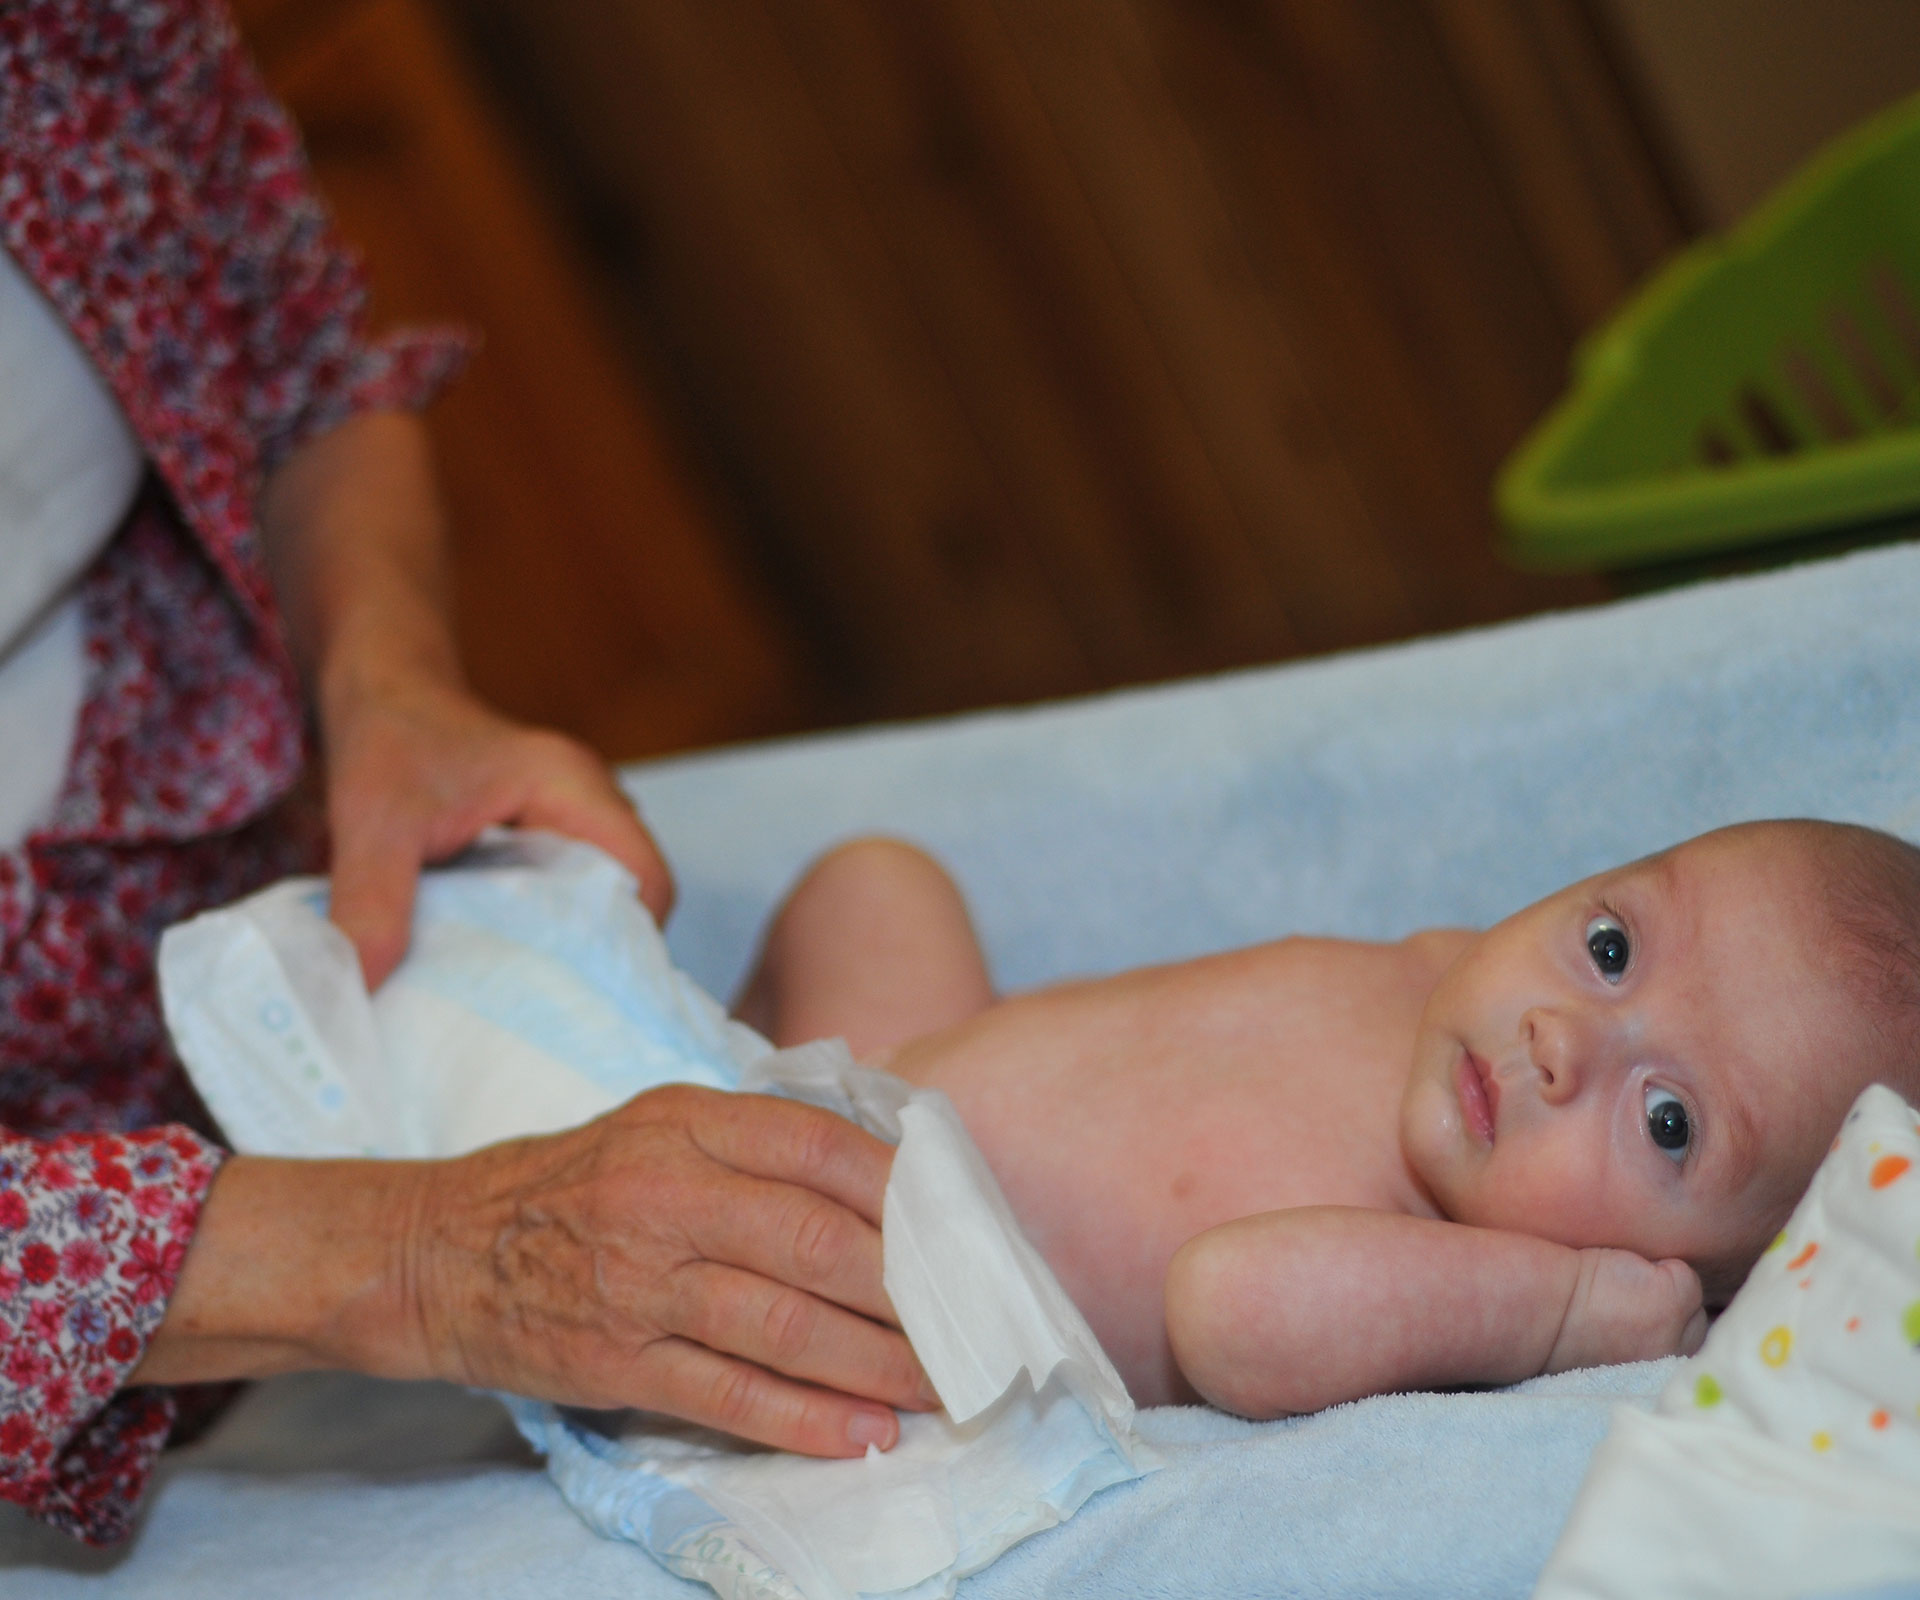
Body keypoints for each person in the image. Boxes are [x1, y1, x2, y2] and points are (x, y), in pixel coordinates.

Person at [0, 0, 924, 1545]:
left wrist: (391, 683)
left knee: (876, 891)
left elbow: (299, 374)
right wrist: (424, 1256)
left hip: (295, 1005)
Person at [738, 818, 1920, 1412]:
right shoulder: (1462, 979)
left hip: (859, 1265)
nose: (1563, 1041)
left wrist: (1560, 1315)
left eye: (1670, 1122)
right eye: (1610, 946)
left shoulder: (1473, 1265)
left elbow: (1223, 1309)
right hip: (877, 1072)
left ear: (1709, 1278)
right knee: (875, 876)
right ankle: (694, 1048)